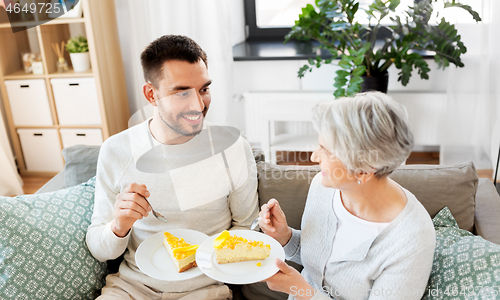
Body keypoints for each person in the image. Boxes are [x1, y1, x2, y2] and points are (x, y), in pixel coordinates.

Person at [86, 35, 258, 300]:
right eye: (182, 92)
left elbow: (247, 228)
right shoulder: (116, 151)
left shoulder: (233, 148)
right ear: (151, 94)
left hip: (205, 291)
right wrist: (119, 225)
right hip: (131, 289)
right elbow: (99, 248)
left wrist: (205, 259)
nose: (198, 106)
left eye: (204, 89)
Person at [259, 92, 436, 300]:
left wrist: (302, 291)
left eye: (325, 151)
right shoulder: (323, 187)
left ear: (363, 170)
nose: (314, 156)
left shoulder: (411, 241)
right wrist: (285, 237)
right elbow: (321, 262)